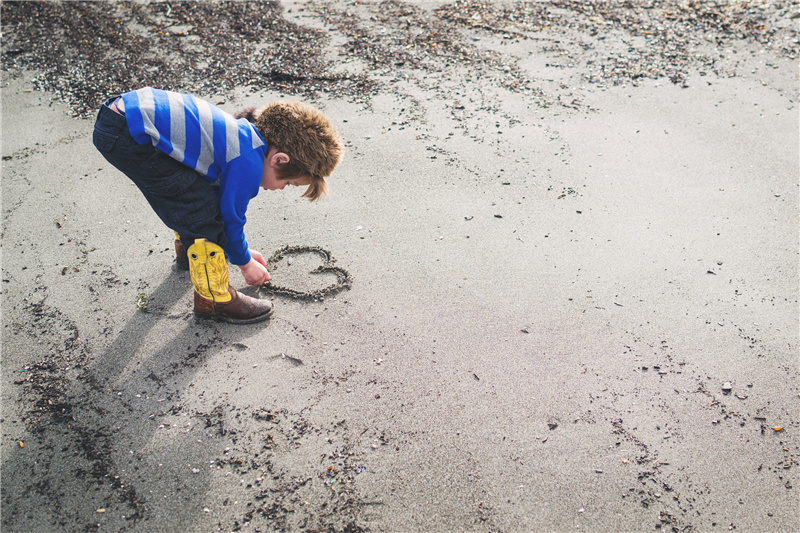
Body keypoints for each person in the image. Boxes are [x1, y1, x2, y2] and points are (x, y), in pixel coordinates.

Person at [93, 87, 343, 324]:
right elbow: (231, 218)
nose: (279, 189)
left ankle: (189, 251)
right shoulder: (247, 161)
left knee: (192, 193)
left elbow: (215, 191)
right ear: (279, 160)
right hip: (131, 134)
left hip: (123, 116)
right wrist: (245, 263)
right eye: (288, 182)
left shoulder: (239, 135)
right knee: (198, 211)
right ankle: (214, 299)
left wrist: (236, 250)